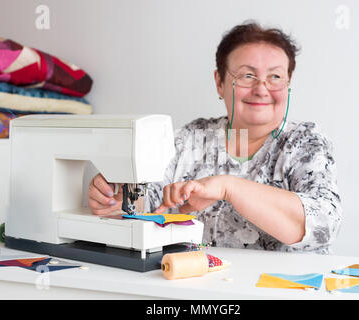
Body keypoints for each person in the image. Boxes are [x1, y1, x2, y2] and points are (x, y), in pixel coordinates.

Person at [88, 21, 343, 254]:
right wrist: (117, 197)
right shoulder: (191, 137)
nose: (261, 88)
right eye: (247, 75)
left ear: (288, 84)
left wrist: (227, 187)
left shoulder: (305, 142)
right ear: (219, 82)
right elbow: (148, 197)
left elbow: (323, 224)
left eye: (275, 77)